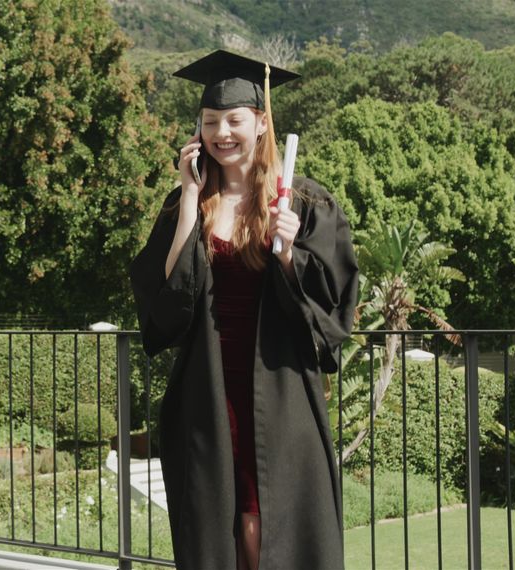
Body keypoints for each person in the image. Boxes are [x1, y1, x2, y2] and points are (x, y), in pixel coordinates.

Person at [128, 50, 359, 570]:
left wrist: (286, 252)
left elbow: (332, 314)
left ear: (260, 121)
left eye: (234, 120)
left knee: (262, 517)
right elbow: (167, 300)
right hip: (206, 390)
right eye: (211, 122)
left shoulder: (303, 203)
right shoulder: (186, 200)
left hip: (277, 390)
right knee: (217, 524)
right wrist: (189, 198)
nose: (222, 132)